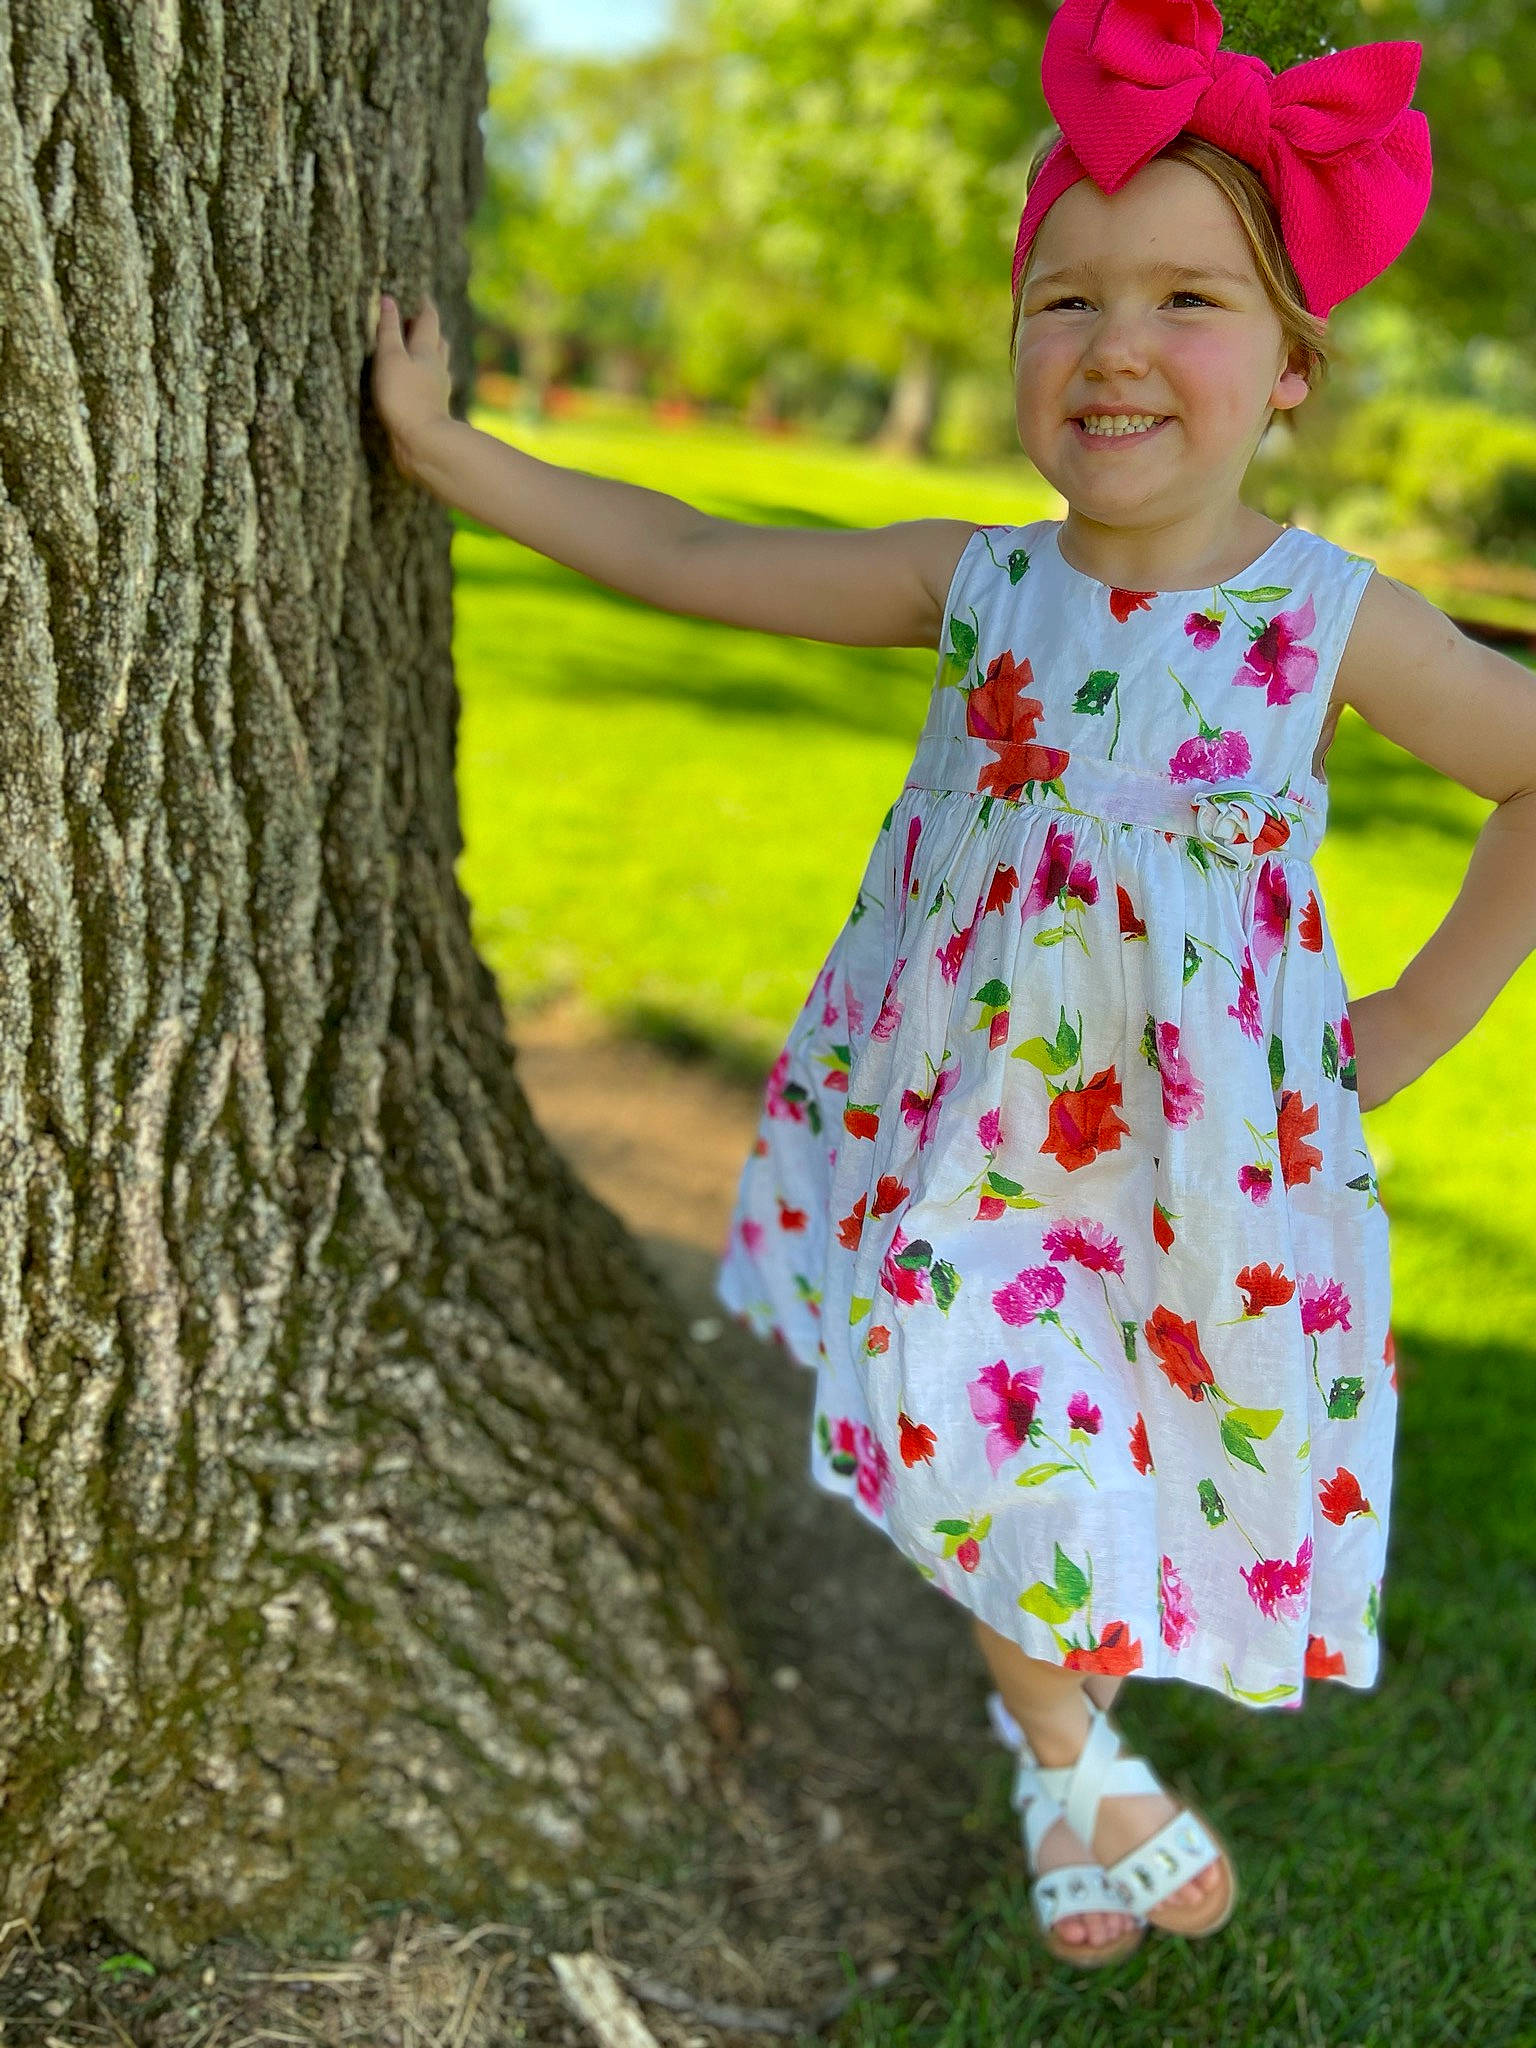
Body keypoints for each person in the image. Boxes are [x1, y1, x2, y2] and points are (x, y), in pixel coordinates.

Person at [369, 0, 1536, 1970]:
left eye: (1188, 299)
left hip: (1195, 1160)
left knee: (1124, 1457)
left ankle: (1055, 1752)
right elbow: (684, 547)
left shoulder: (1331, 625)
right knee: (947, 1375)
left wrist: (1409, 1027)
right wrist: (444, 450)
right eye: (1061, 301)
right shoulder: (982, 581)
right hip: (971, 1121)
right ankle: (1074, 1753)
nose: (1115, 346)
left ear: (1294, 373)